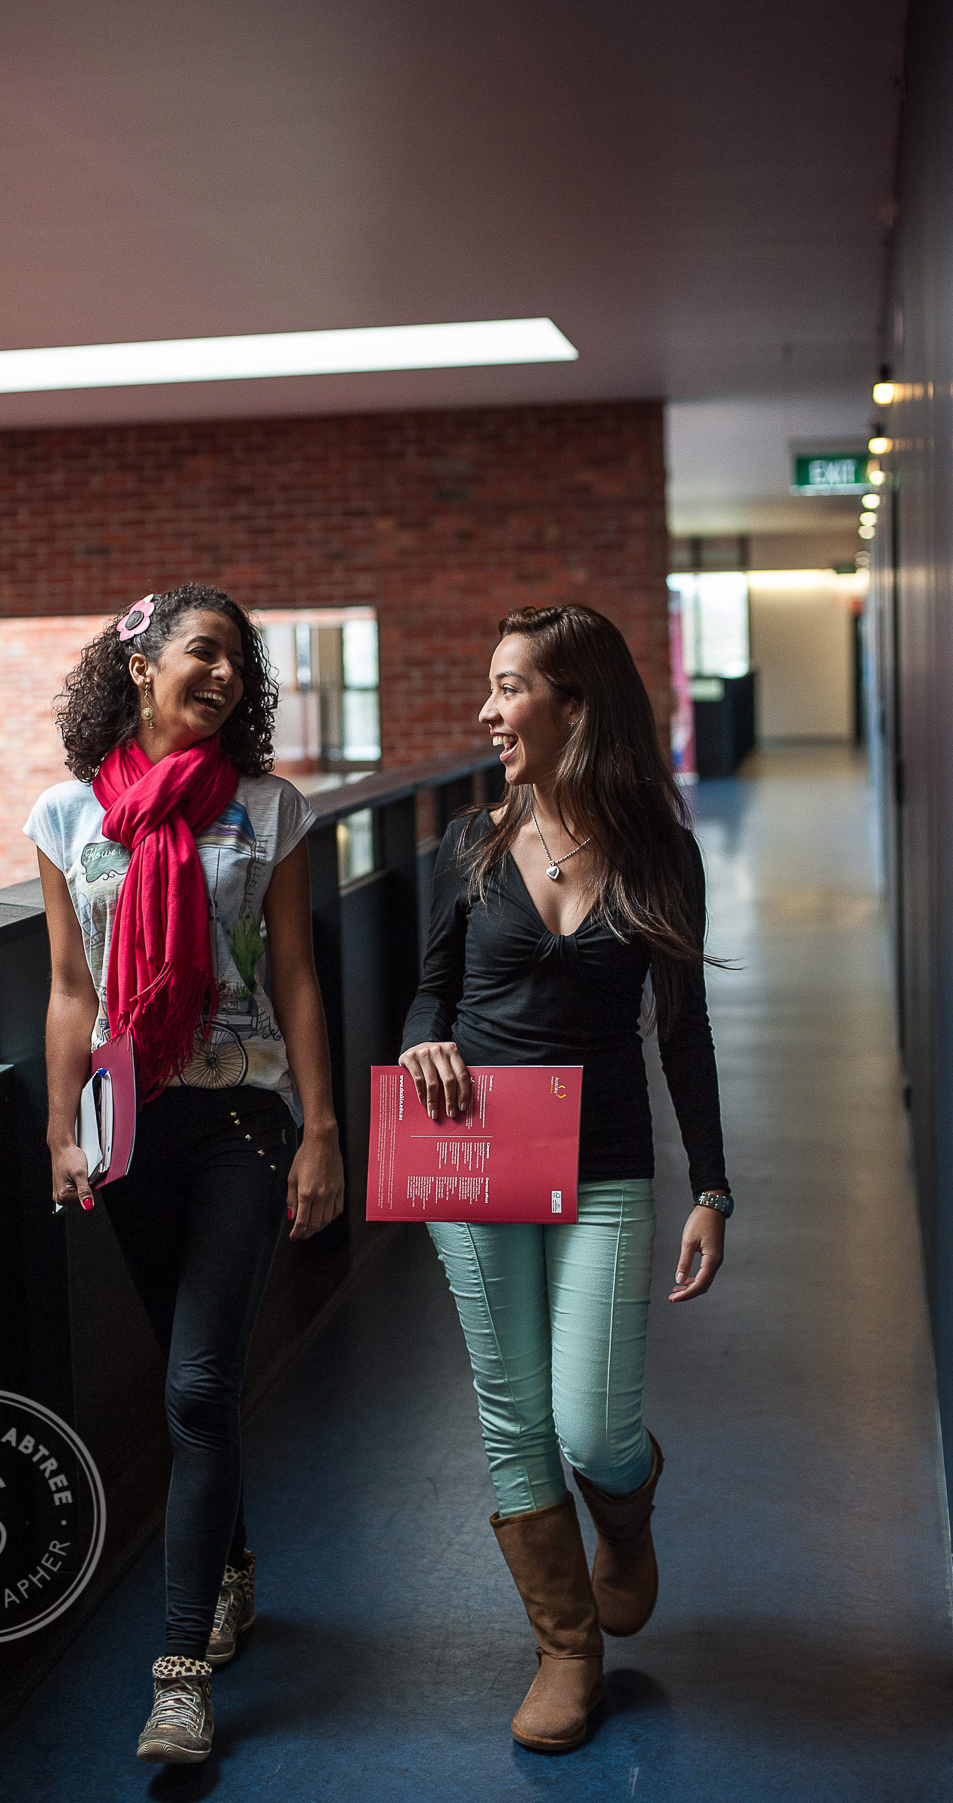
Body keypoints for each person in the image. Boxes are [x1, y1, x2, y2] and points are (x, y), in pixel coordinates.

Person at [399, 603, 730, 1755]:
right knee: (512, 1412)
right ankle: (566, 1651)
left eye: (510, 688)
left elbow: (682, 1029)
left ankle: (626, 1517)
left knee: (592, 1428)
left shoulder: (659, 852)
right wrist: (423, 1044)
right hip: (473, 1150)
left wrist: (713, 1189)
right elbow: (429, 995)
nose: (488, 712)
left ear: (574, 704)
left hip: (604, 1161)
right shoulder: (469, 844)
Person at [24, 583, 344, 1766]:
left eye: (238, 663)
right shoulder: (66, 815)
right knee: (185, 1376)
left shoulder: (269, 808)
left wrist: (323, 1128)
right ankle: (231, 1568)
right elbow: (71, 987)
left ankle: (177, 1680)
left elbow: (297, 972)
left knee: (201, 1385)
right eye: (204, 653)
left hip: (242, 1120)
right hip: (127, 1129)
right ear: (141, 665)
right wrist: (60, 1129)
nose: (223, 676)